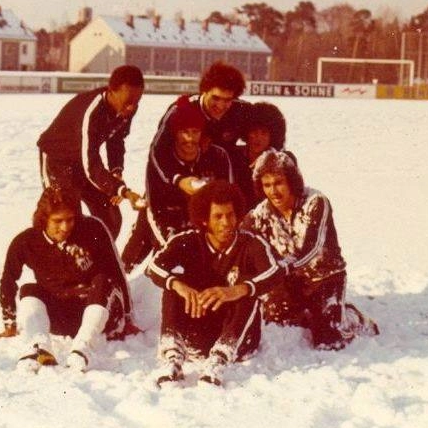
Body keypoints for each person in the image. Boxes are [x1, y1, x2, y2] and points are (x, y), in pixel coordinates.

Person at [146, 180, 284, 386]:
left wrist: (238, 290)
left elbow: (274, 272)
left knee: (249, 290)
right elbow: (154, 267)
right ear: (204, 220)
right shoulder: (188, 240)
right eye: (218, 216)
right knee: (173, 285)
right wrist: (178, 285)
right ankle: (172, 358)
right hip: (197, 335)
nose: (226, 222)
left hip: (238, 341)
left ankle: (218, 361)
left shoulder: (251, 243)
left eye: (230, 215)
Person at [240, 150, 379, 350]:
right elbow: (240, 241)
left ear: (291, 181)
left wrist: (281, 268)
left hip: (324, 277)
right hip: (289, 282)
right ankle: (311, 313)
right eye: (267, 185)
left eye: (279, 182)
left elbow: (312, 247)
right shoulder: (260, 213)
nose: (274, 191)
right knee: (279, 325)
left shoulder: (316, 201)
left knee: (328, 341)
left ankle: (350, 318)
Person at [121, 61, 249, 272]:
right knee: (160, 245)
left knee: (189, 249)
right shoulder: (182, 110)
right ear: (204, 91)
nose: (221, 105)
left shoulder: (237, 112)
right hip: (166, 188)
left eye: (228, 100)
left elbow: (262, 130)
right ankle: (124, 276)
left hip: (203, 185)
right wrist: (178, 179)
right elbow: (157, 153)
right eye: (215, 97)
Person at [0, 188, 136, 372]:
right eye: (58, 221)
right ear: (44, 219)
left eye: (70, 219)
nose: (65, 227)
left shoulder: (92, 228)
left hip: (99, 310)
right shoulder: (26, 241)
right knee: (29, 289)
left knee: (103, 280)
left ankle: (83, 348)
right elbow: (8, 280)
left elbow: (116, 271)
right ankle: (39, 347)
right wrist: (9, 322)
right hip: (62, 315)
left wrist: (128, 317)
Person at [36, 64, 145, 238]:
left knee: (110, 217)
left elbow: (116, 139)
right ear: (111, 91)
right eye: (127, 103)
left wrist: (116, 172)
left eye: (136, 102)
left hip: (83, 159)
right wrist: (122, 190)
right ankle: (59, 260)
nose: (131, 108)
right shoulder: (92, 113)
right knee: (67, 218)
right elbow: (92, 166)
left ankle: (97, 259)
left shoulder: (128, 107)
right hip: (58, 160)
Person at [228, 101, 292, 212]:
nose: (258, 138)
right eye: (254, 132)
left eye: (264, 133)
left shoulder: (282, 159)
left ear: (273, 136)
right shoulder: (234, 155)